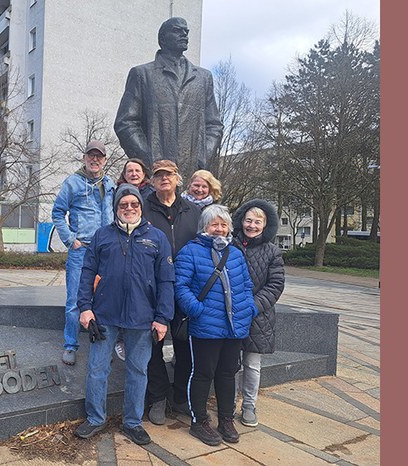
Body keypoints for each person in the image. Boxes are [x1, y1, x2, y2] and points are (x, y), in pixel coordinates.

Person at [73, 184, 174, 445]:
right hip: (104, 316)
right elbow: (86, 272)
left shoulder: (157, 238)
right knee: (96, 369)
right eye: (123, 204)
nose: (129, 208)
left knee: (138, 371)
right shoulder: (102, 235)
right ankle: (95, 418)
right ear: (116, 207)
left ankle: (133, 422)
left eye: (134, 204)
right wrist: (85, 307)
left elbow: (165, 281)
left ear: (140, 206)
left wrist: (162, 318)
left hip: (142, 318)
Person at [174, 204, 257, 446]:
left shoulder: (236, 253)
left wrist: (248, 308)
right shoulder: (191, 252)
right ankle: (198, 421)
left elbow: (247, 286)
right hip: (206, 325)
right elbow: (180, 287)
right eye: (214, 224)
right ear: (204, 227)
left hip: (234, 326)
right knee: (202, 373)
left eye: (223, 224)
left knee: (227, 373)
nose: (219, 229)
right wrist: (196, 310)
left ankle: (226, 419)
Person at [114, 17, 223, 179]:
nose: (184, 34)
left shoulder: (203, 78)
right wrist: (148, 160)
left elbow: (214, 124)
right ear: (162, 38)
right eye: (177, 31)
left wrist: (203, 157)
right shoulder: (142, 74)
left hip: (192, 174)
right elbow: (126, 123)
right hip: (156, 175)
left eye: (186, 31)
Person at [141, 159, 201, 425]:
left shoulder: (194, 212)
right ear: (152, 181)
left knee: (185, 347)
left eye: (169, 174)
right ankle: (157, 397)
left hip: (186, 290)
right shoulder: (142, 210)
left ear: (178, 179)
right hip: (152, 289)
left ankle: (180, 399)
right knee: (153, 346)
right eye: (159, 175)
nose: (164, 178)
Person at [51, 140, 115, 366]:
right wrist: (70, 240)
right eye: (91, 155)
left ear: (105, 160)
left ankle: (103, 341)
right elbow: (58, 212)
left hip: (106, 252)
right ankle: (70, 344)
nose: (95, 159)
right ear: (84, 157)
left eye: (99, 156)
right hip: (82, 250)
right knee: (75, 301)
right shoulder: (73, 183)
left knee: (106, 298)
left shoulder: (110, 184)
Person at [231, 199, 285, 427]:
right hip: (231, 315)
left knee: (252, 365)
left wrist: (253, 305)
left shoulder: (272, 251)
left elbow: (275, 284)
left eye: (258, 222)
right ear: (242, 220)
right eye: (248, 220)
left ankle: (249, 406)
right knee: (231, 365)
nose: (252, 225)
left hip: (257, 316)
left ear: (265, 225)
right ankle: (229, 403)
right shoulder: (231, 245)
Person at [112, 158, 155, 361]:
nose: (134, 173)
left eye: (137, 170)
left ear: (143, 173)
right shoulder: (115, 190)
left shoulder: (151, 193)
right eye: (130, 170)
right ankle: (120, 339)